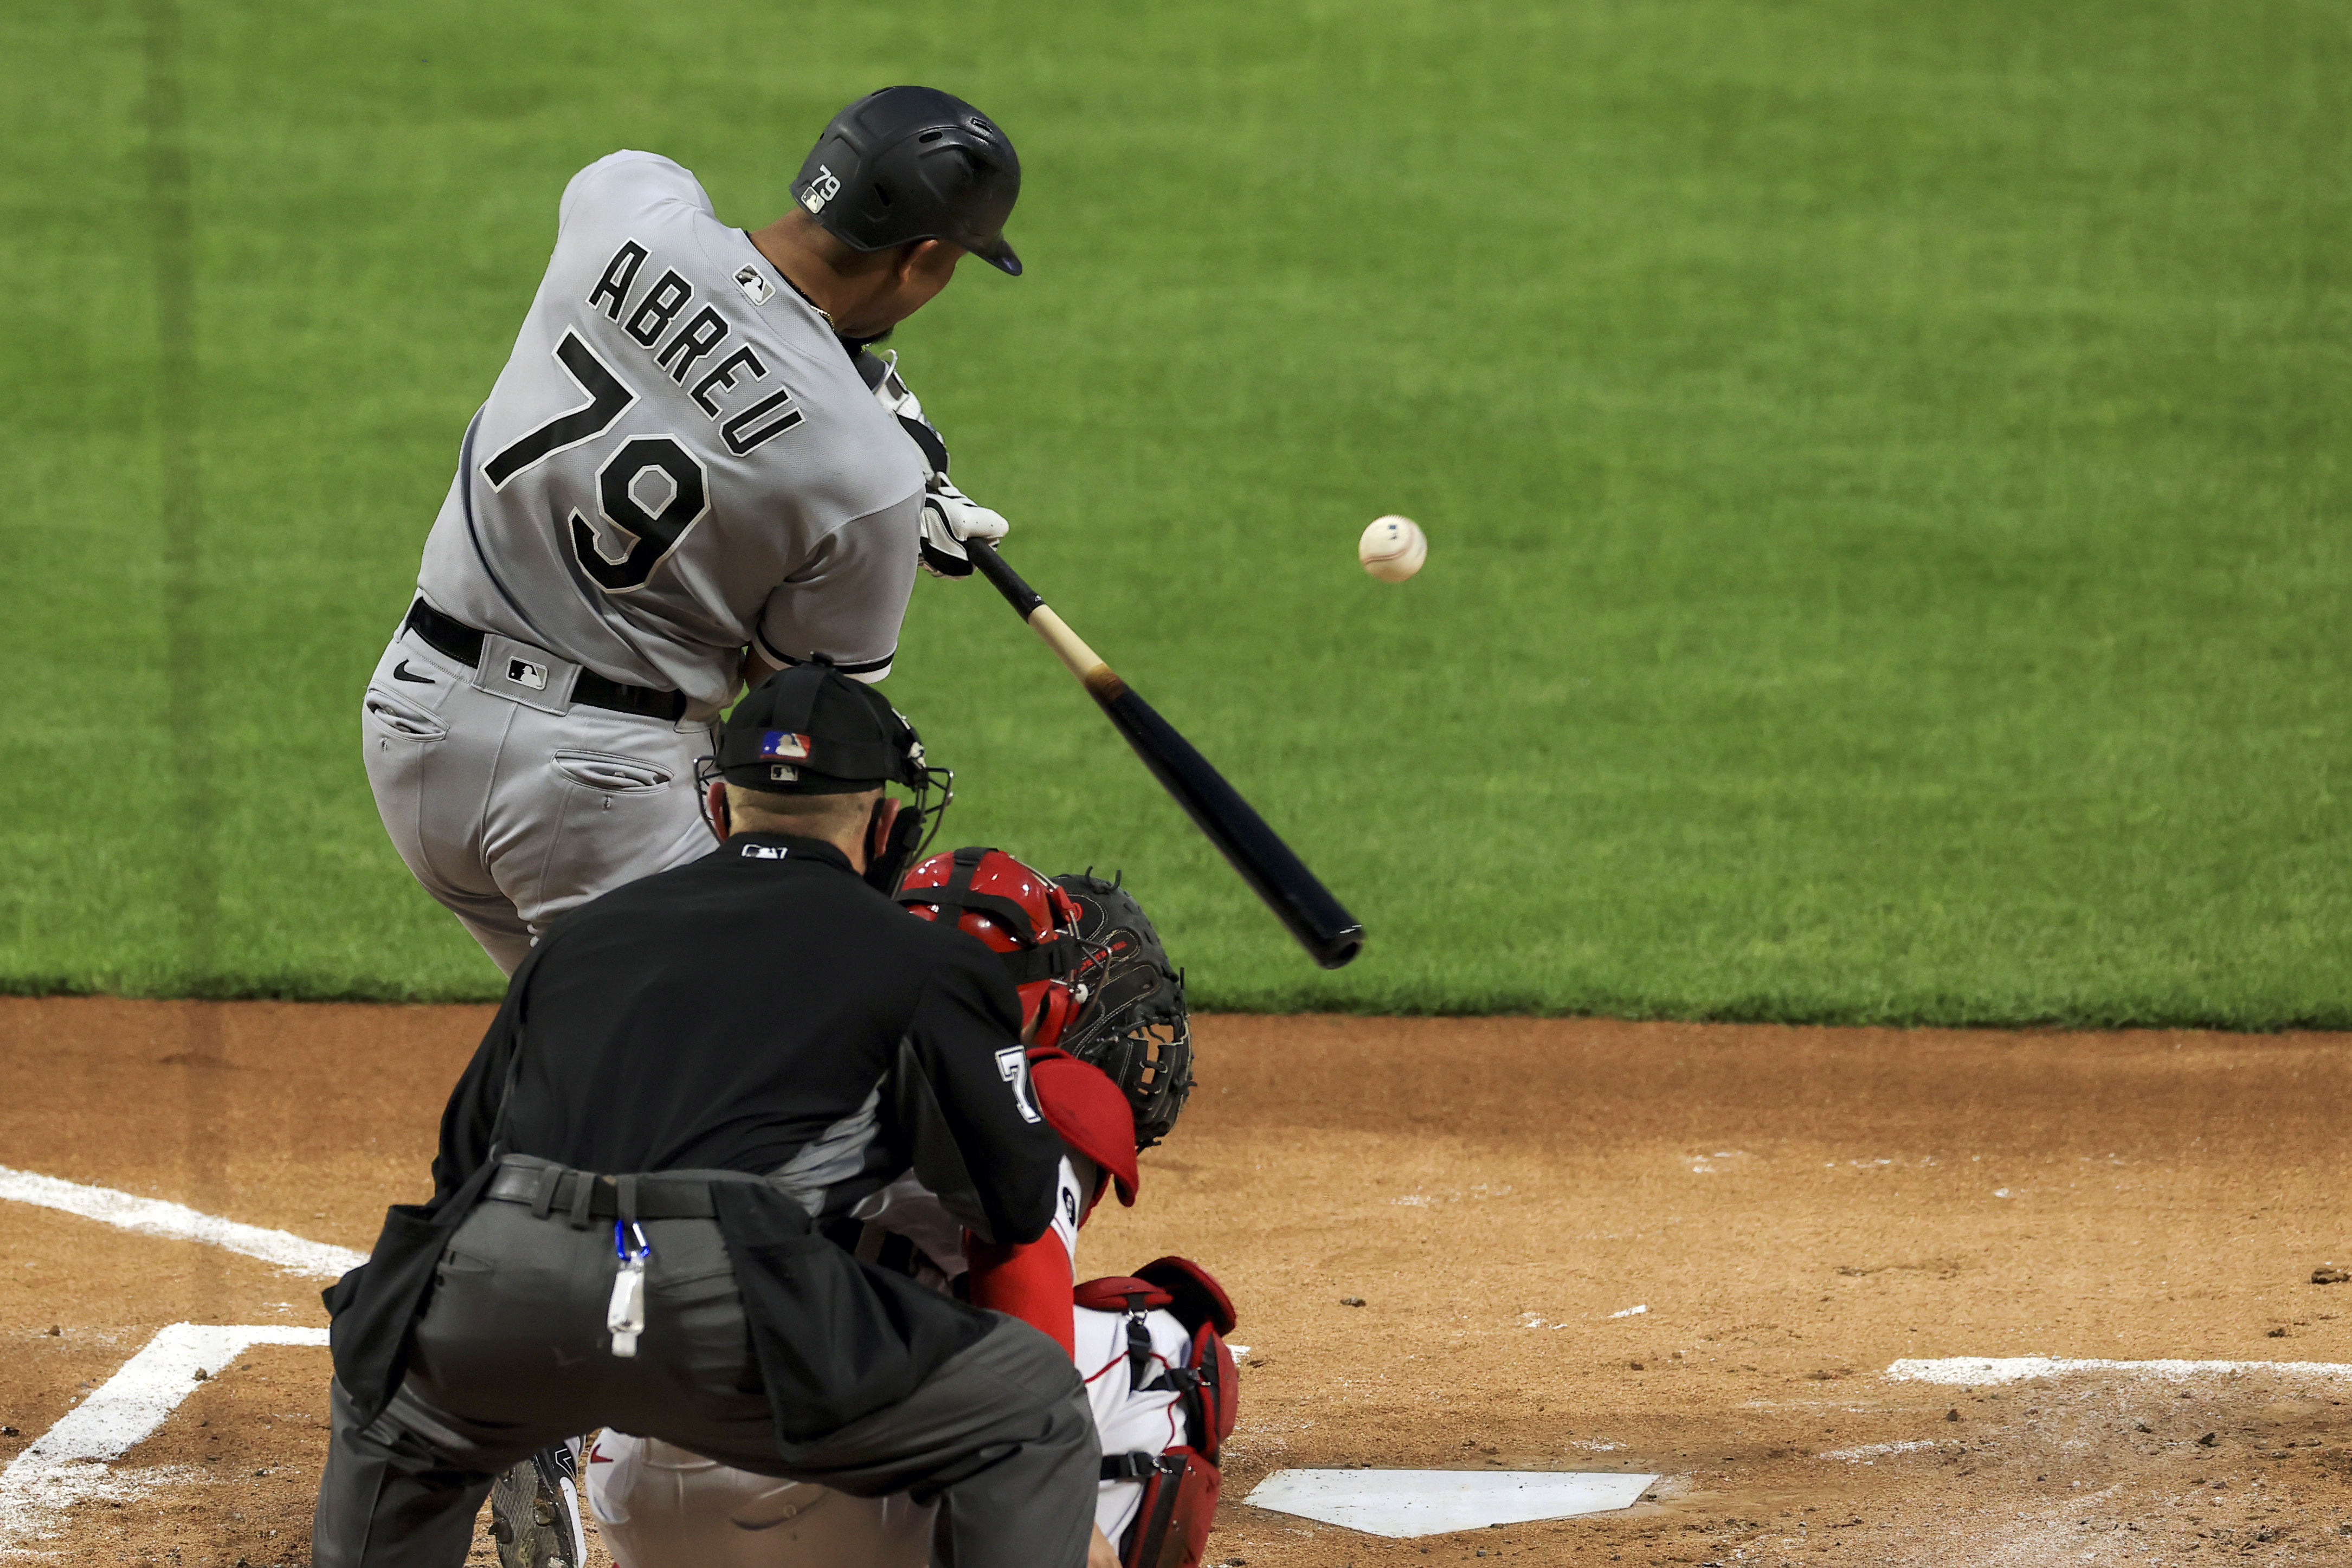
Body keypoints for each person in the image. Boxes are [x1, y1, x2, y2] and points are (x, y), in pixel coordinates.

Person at [312, 667, 1099, 1568]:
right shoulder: (922, 960)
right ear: (887, 830)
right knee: (1032, 1406)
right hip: (723, 1301)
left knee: (396, 1409)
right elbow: (1013, 1199)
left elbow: (462, 1175)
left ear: (719, 807)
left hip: (501, 1277)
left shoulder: (579, 941)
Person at [361, 83, 1021, 978]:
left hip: (412, 724)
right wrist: (894, 508)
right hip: (599, 797)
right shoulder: (868, 474)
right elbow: (790, 705)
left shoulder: (622, 203)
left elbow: (719, 325)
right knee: (736, 1062)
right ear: (928, 257)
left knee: (569, 1045)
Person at [585, 851, 1234, 1568]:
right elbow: (1022, 1286)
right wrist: (1061, 1519)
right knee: (1165, 1351)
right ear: (1048, 998)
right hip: (809, 1493)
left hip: (630, 1479)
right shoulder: (1029, 1093)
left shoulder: (752, 1037)